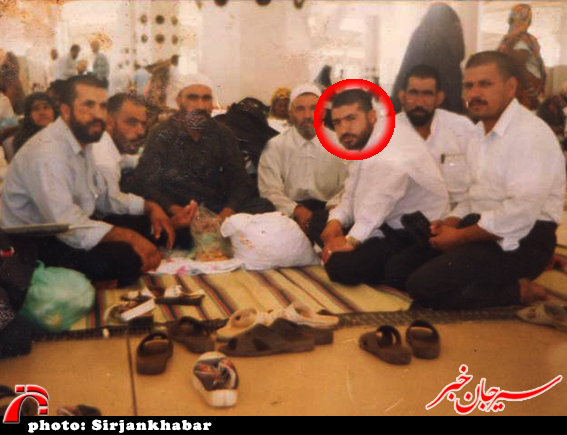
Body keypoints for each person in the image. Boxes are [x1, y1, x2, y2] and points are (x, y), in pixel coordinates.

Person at [384, 51, 565, 309]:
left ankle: (518, 292)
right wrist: (450, 222)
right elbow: (473, 196)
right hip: (481, 228)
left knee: (422, 287)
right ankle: (488, 280)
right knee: (396, 270)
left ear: (510, 87)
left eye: (485, 84)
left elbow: (519, 215)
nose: (475, 93)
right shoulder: (478, 132)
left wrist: (459, 237)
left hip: (523, 240)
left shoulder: (529, 134)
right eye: (469, 85)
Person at [0, 75, 179, 286]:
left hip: (63, 230)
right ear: (66, 111)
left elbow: (102, 197)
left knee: (150, 228)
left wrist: (149, 207)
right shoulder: (47, 152)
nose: (97, 115)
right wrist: (130, 237)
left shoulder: (80, 142)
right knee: (126, 257)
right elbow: (66, 224)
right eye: (88, 106)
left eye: (102, 106)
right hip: (29, 243)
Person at [320, 88, 449, 285]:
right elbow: (352, 194)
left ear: (371, 116)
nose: (344, 129)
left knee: (343, 265)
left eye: (351, 118)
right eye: (337, 122)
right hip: (384, 223)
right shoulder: (363, 140)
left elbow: (379, 200)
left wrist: (350, 241)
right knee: (320, 223)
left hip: (419, 231)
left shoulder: (391, 147)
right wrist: (335, 222)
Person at [126, 74, 274, 227]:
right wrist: (177, 211)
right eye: (193, 98)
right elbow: (144, 182)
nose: (201, 106)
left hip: (217, 208)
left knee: (264, 206)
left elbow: (241, 181)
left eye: (206, 98)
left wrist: (223, 216)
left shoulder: (223, 133)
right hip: (179, 211)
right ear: (179, 101)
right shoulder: (161, 134)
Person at [258, 84, 348, 245]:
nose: (307, 115)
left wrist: (333, 210)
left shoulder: (341, 145)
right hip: (287, 212)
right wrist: (295, 210)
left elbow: (348, 187)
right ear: (291, 113)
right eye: (300, 109)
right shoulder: (275, 146)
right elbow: (269, 190)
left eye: (314, 108)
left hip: (329, 212)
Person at [396, 64, 475, 207]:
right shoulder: (385, 135)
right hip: (404, 217)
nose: (419, 102)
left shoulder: (462, 129)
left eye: (427, 94)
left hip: (456, 215)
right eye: (413, 93)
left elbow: (481, 182)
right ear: (402, 96)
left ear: (439, 98)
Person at [391, 3, 466, 114]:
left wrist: (395, 104)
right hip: (448, 105)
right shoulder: (452, 38)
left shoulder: (421, 35)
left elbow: (406, 69)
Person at [497, 3, 546, 111]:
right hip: (521, 93)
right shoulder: (519, 40)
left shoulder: (513, 40)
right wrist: (531, 91)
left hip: (519, 92)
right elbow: (517, 66)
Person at [6, 92, 57, 163]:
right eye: (36, 109)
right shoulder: (23, 140)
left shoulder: (63, 132)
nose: (42, 112)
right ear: (28, 115)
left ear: (53, 111)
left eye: (46, 107)